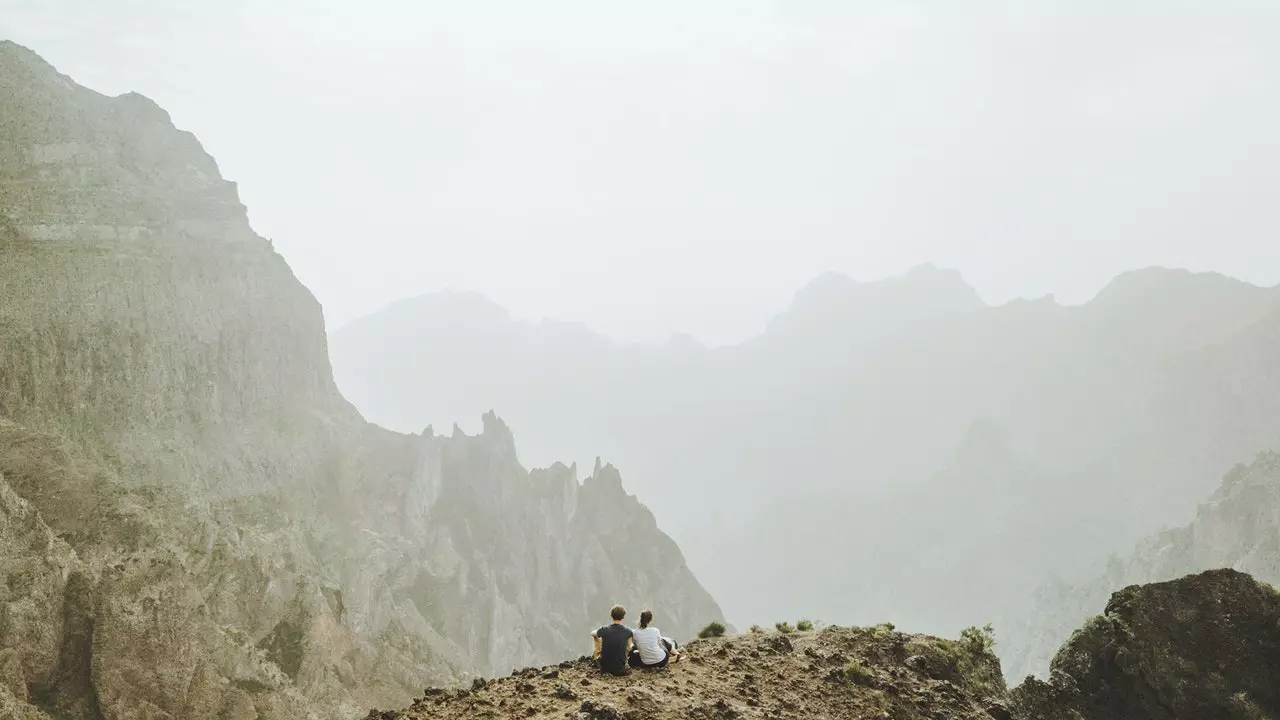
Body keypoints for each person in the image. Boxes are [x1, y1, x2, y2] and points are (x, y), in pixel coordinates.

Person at [591, 604, 633, 676]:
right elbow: (629, 647)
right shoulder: (628, 631)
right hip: (620, 669)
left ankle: (597, 656)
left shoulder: (604, 629)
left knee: (597, 637)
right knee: (629, 644)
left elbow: (593, 633)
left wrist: (597, 632)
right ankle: (624, 661)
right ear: (623, 617)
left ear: (611, 615)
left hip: (605, 669)